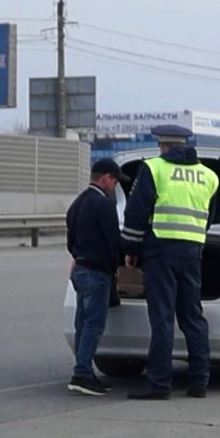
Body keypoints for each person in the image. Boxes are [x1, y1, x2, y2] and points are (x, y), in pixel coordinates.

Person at [122, 125, 220, 400]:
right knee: (193, 317)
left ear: (163, 146)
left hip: (160, 250)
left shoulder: (154, 169)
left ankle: (158, 384)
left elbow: (136, 213)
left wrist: (131, 248)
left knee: (163, 318)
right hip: (192, 252)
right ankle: (200, 382)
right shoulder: (209, 176)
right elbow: (208, 217)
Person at [65, 158, 129, 396]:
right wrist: (126, 258)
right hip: (97, 272)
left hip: (79, 268)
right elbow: (114, 241)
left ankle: (84, 371)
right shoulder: (103, 205)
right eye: (114, 181)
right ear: (106, 178)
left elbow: (70, 239)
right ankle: (82, 374)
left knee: (82, 323)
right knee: (93, 324)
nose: (114, 187)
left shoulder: (78, 202)